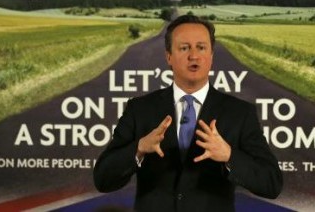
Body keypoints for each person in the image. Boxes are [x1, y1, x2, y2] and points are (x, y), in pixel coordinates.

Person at [93, 15, 282, 212]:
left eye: (201, 47)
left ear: (211, 56)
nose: (194, 56)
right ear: (169, 57)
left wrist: (229, 155)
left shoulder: (239, 113)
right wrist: (139, 148)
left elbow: (271, 183)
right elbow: (103, 179)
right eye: (184, 48)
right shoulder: (140, 109)